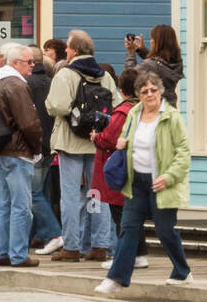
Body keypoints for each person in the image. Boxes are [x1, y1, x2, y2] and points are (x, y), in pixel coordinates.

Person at [95, 71, 192, 293]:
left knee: (165, 230)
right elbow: (129, 141)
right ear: (138, 94)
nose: (149, 94)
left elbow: (184, 152)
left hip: (161, 182)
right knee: (128, 228)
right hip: (136, 181)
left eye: (153, 89)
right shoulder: (134, 114)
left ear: (161, 91)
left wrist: (169, 177)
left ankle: (183, 271)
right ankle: (116, 279)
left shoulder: (172, 117)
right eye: (144, 90)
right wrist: (122, 143)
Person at [44, 29, 119, 262]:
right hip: (96, 141)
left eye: (67, 46)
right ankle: (99, 245)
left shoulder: (66, 74)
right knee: (97, 194)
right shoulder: (105, 76)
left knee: (70, 196)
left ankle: (72, 246)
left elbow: (56, 106)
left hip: (70, 140)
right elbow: (114, 106)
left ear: (75, 50)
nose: (65, 50)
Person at [0, 43, 42, 268]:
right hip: (18, 151)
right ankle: (19, 254)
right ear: (16, 63)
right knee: (21, 207)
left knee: (4, 205)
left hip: (0, 150)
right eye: (28, 62)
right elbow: (28, 123)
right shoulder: (17, 85)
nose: (32, 65)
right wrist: (38, 148)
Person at [93, 68, 148, 270]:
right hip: (138, 165)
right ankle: (139, 254)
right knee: (132, 212)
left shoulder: (123, 111)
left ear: (122, 89)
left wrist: (95, 137)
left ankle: (127, 256)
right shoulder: (144, 109)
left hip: (118, 169)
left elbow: (109, 138)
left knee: (121, 215)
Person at [26, 46, 63, 253]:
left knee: (33, 193)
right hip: (50, 145)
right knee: (43, 192)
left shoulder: (25, 84)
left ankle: (53, 233)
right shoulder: (52, 83)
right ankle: (38, 234)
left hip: (34, 146)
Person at [124, 25, 184, 108]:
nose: (151, 41)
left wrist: (131, 52)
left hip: (154, 111)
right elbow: (159, 63)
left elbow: (129, 76)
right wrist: (142, 50)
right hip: (171, 107)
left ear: (157, 42)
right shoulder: (177, 62)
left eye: (153, 38)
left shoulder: (150, 65)